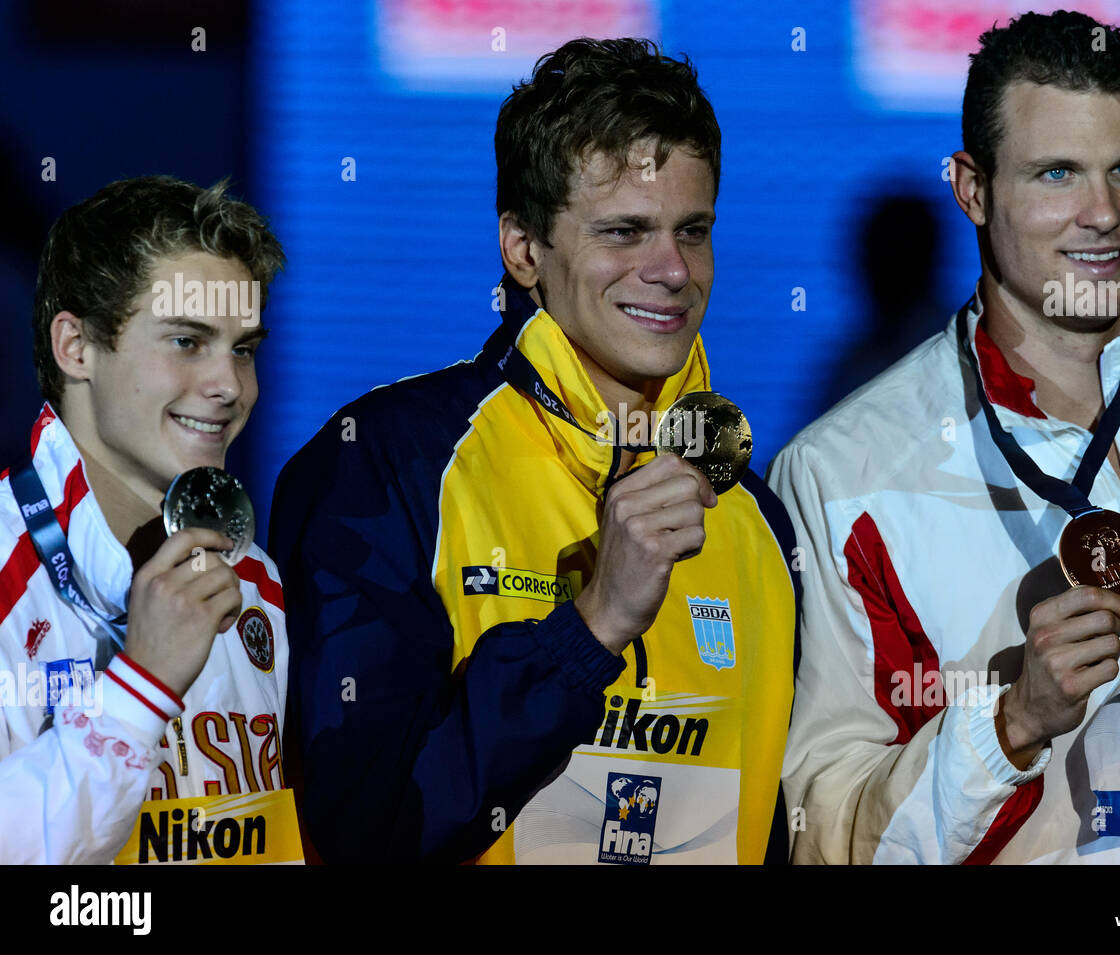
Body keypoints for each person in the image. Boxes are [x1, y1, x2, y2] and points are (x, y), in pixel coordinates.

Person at [769, 10, 1120, 864]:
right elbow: (825, 835)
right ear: (972, 188)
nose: (1103, 214)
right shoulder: (840, 476)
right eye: (1058, 174)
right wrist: (1010, 726)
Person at [271, 37, 799, 864]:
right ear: (523, 251)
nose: (671, 269)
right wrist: (589, 630)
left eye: (692, 231)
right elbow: (361, 837)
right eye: (625, 231)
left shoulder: (759, 519)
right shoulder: (385, 466)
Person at [0, 175, 289, 863]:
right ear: (76, 348)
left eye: (243, 348)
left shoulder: (257, 581)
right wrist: (143, 685)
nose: (229, 386)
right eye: (188, 341)